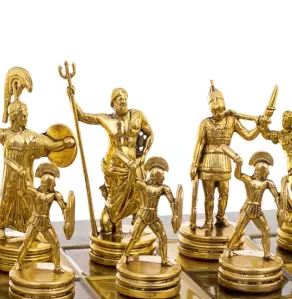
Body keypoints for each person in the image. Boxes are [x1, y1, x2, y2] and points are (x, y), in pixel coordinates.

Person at [0, 101, 74, 239]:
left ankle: (32, 229)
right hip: (10, 177)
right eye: (23, 115)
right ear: (14, 116)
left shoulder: (32, 137)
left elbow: (50, 145)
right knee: (6, 199)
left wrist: (64, 143)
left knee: (29, 201)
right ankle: (1, 227)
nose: (26, 118)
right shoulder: (5, 134)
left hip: (26, 178)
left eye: (26, 115)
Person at [72, 87, 153, 237]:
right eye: (119, 98)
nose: (123, 101)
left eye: (125, 98)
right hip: (115, 168)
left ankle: (137, 229)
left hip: (135, 166)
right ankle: (116, 228)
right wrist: (72, 97)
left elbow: (150, 134)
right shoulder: (106, 119)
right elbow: (81, 116)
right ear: (113, 103)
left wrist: (143, 155)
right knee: (114, 203)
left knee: (139, 196)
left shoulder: (137, 115)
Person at [191, 82, 262, 230]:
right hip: (208, 163)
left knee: (224, 193)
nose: (218, 113)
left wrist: (259, 127)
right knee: (209, 196)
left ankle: (220, 216)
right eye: (215, 111)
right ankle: (208, 220)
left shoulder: (232, 120)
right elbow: (199, 144)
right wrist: (194, 164)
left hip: (225, 161)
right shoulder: (205, 123)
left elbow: (248, 135)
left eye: (221, 110)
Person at [5, 160, 71, 273]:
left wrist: (67, 219)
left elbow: (64, 209)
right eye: (53, 183)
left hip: (46, 223)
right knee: (26, 243)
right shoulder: (34, 192)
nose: (55, 185)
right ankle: (18, 263)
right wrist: (21, 177)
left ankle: (57, 267)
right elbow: (22, 190)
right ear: (47, 183)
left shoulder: (56, 195)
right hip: (34, 222)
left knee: (55, 244)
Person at [223, 150, 281, 259]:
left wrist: (280, 204)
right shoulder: (248, 180)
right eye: (266, 170)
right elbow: (238, 175)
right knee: (238, 231)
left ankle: (267, 254)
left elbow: (276, 196)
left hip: (258, 211)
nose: (268, 173)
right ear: (261, 170)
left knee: (266, 231)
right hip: (247, 209)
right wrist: (238, 164)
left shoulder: (268, 183)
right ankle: (228, 249)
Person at [120, 157, 176, 266]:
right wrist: (132, 170)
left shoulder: (164, 188)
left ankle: (164, 260)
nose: (164, 177)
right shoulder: (143, 185)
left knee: (163, 237)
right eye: (162, 175)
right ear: (156, 176)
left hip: (154, 217)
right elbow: (131, 181)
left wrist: (175, 214)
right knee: (134, 237)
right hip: (142, 216)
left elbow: (172, 202)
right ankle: (125, 255)